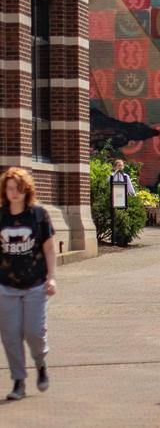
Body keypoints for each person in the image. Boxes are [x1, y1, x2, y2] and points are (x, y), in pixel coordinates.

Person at [0, 167, 56, 400]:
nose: (14, 193)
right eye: (10, 189)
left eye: (18, 188)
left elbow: (49, 248)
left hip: (35, 284)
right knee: (11, 336)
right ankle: (18, 382)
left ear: (26, 189)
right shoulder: (1, 216)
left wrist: (51, 277)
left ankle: (40, 364)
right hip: (6, 286)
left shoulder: (39, 215)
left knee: (33, 332)